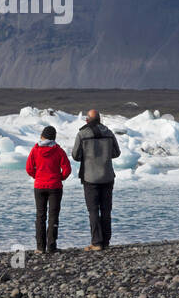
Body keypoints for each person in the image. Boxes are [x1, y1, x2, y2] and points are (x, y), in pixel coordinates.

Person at [72, 108, 121, 250]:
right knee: (106, 210)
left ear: (87, 120)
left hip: (90, 178)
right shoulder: (109, 133)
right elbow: (116, 153)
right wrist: (104, 156)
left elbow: (76, 155)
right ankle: (106, 241)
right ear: (100, 119)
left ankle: (96, 242)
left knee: (93, 210)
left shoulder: (82, 134)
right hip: (107, 176)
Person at [25, 124, 71, 253]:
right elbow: (67, 169)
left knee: (40, 216)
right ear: (54, 138)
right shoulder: (58, 151)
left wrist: (38, 176)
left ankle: (40, 247)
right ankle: (51, 246)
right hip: (55, 186)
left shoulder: (35, 150)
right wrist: (59, 177)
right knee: (53, 216)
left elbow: (29, 168)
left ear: (42, 136)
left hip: (39, 186)